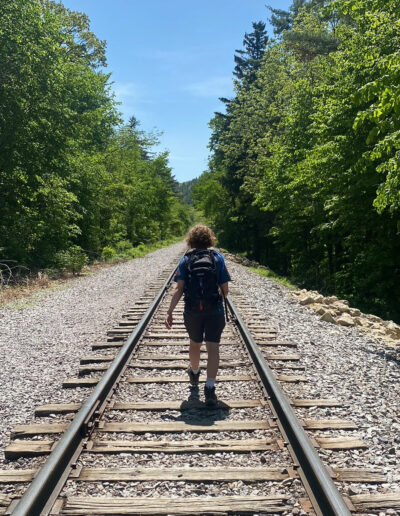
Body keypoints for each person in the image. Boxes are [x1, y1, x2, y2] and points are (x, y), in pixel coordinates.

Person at [165, 225, 231, 405]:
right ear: (210, 239)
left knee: (195, 343)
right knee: (213, 347)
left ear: (191, 240)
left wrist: (170, 311)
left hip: (193, 310)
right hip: (214, 310)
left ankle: (194, 372)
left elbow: (178, 289)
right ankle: (210, 388)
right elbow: (225, 290)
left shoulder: (186, 260)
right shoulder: (217, 258)